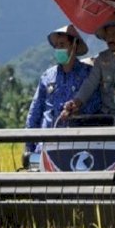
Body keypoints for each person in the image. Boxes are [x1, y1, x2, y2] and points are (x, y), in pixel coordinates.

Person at [25, 24, 101, 153]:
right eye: (57, 46)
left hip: (78, 144)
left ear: (74, 46)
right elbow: (35, 113)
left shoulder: (88, 74)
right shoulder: (48, 76)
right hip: (46, 145)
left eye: (62, 45)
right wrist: (29, 147)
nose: (58, 49)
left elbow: (97, 103)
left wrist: (77, 109)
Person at [62, 15, 115, 125]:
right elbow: (90, 84)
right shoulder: (101, 59)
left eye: (114, 34)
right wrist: (76, 102)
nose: (110, 39)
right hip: (106, 114)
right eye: (107, 35)